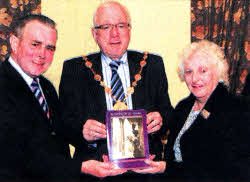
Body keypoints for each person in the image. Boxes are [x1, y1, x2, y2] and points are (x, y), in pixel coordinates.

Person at [0, 14, 125, 180]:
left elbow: (58, 135)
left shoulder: (45, 86)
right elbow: (18, 155)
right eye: (35, 44)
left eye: (50, 48)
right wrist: (81, 167)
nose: (42, 54)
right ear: (15, 43)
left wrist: (85, 134)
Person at [59, 0, 172, 163]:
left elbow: (168, 112)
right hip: (96, 170)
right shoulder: (75, 69)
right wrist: (81, 132)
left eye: (120, 25)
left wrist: (160, 119)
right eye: (106, 27)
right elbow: (63, 124)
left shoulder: (152, 65)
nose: (114, 34)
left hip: (146, 169)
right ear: (94, 34)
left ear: (129, 30)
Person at [134, 40, 250, 180]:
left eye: (203, 70)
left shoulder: (238, 108)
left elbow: (229, 169)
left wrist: (167, 168)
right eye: (189, 71)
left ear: (217, 72)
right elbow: (172, 157)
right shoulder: (183, 108)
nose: (195, 78)